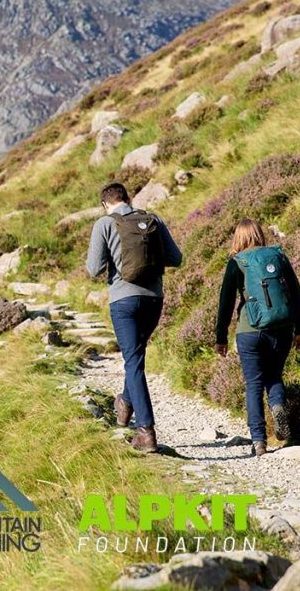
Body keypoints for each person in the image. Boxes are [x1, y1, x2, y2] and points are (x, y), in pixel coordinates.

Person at [86, 182, 183, 452]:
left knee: (133, 362)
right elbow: (176, 258)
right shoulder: (153, 219)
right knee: (136, 358)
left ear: (106, 204)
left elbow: (93, 268)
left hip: (123, 300)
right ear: (128, 199)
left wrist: (114, 257)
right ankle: (125, 403)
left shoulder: (104, 223)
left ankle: (146, 432)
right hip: (154, 299)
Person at [214, 219, 300, 457]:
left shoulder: (236, 263)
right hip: (282, 328)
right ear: (259, 235)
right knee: (274, 375)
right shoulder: (277, 256)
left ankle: (259, 441)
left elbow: (226, 303)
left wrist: (221, 337)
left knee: (254, 384)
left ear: (238, 238)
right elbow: (295, 294)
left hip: (249, 331)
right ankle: (277, 405)